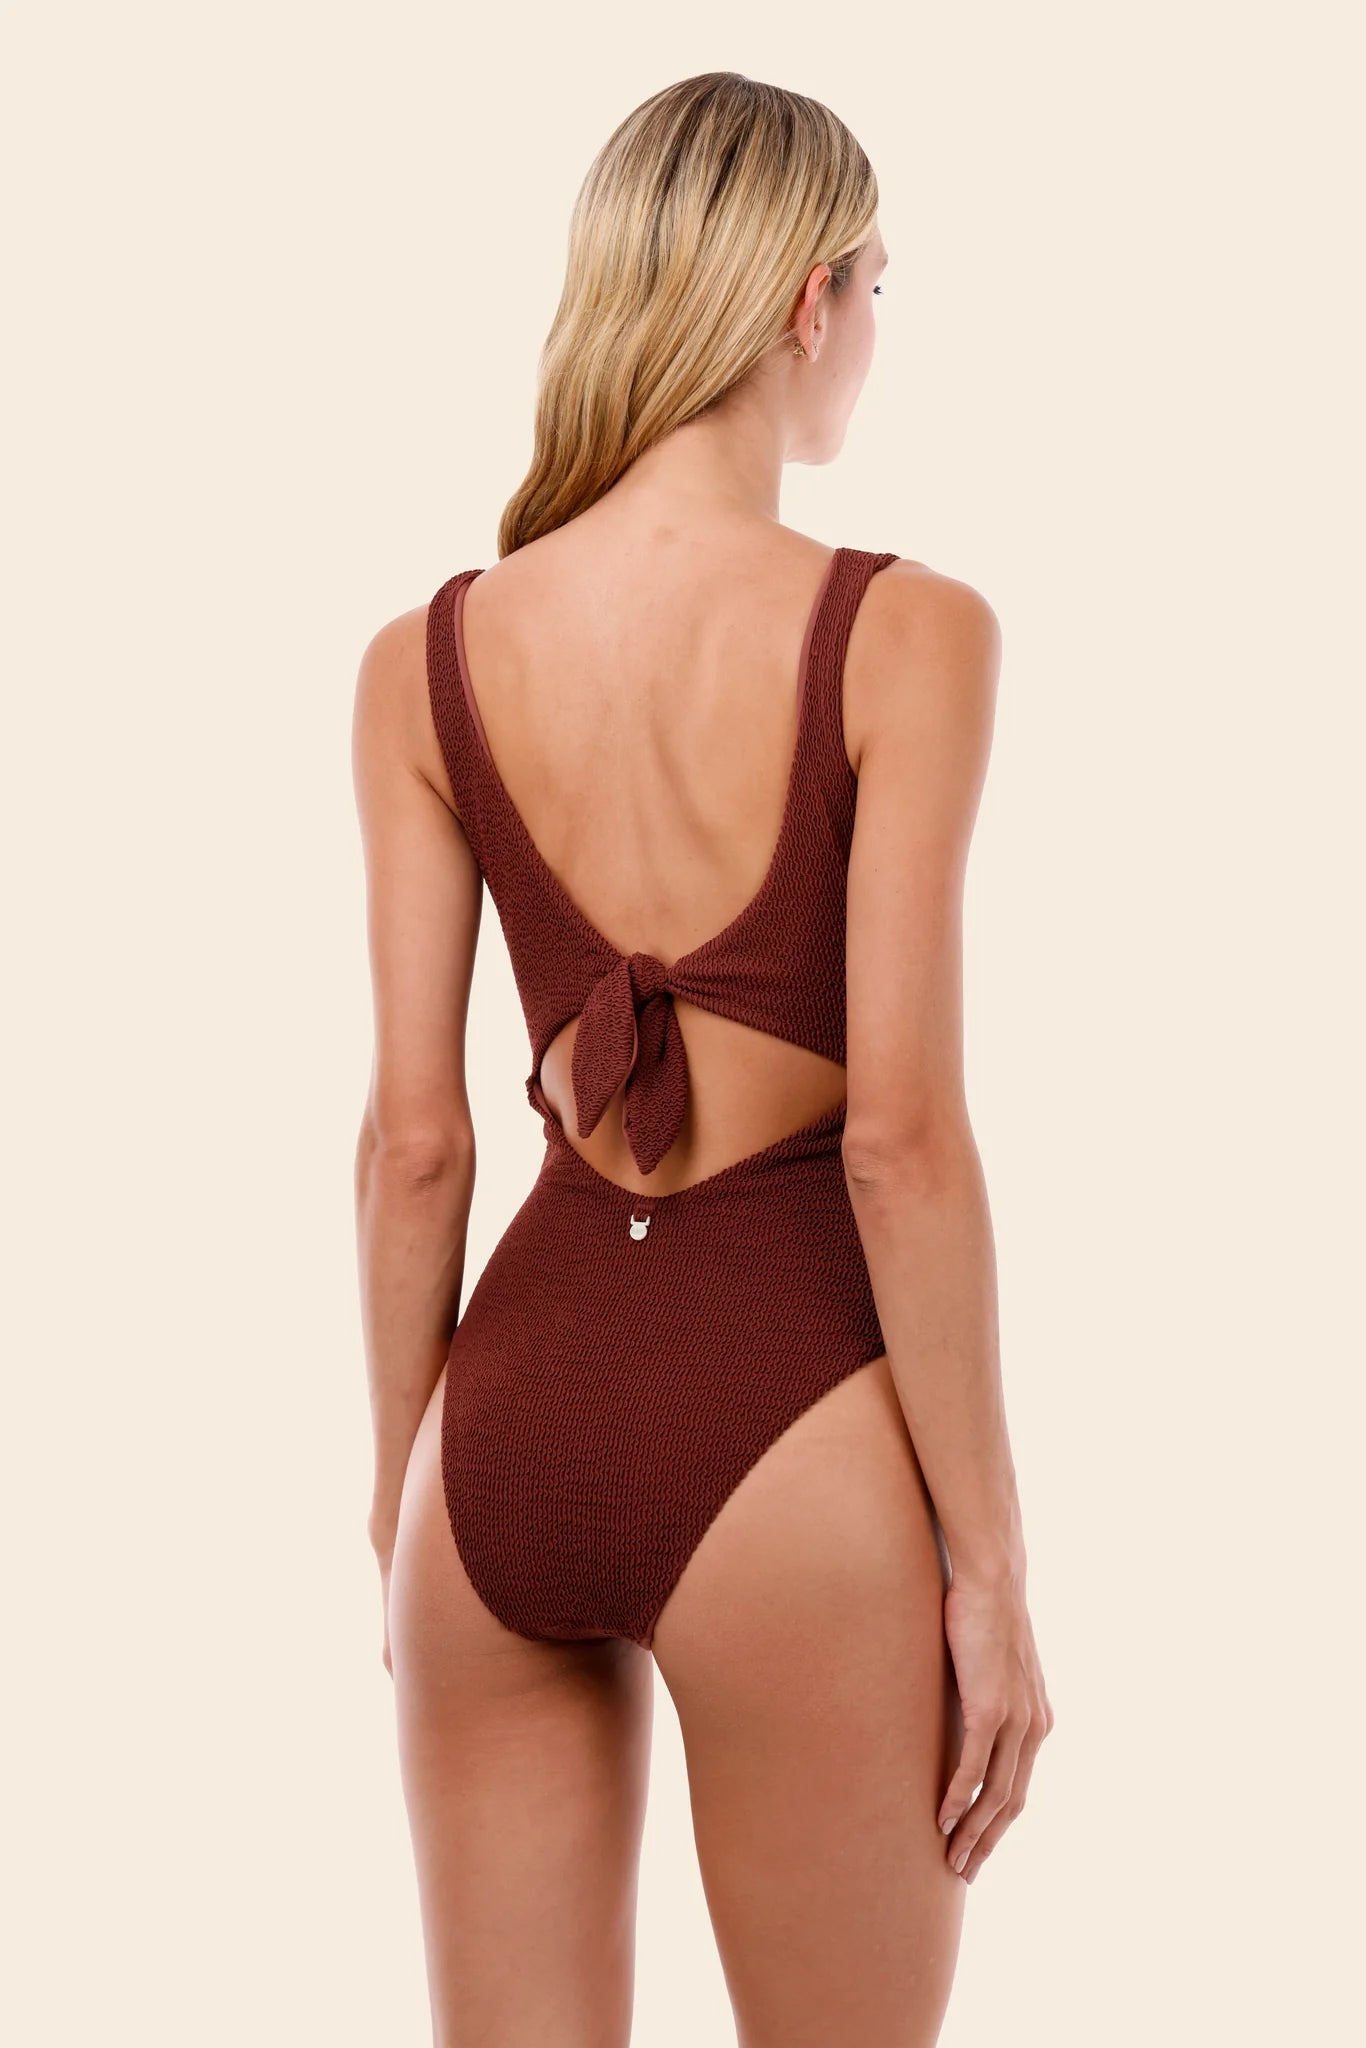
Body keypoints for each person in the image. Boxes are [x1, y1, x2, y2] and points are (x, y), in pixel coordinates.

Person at [353, 69, 1052, 2048]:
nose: (871, 329)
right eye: (877, 284)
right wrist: (989, 1571)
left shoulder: (421, 661)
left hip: (503, 1426)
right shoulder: (906, 632)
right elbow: (897, 1146)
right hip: (784, 1414)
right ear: (803, 300)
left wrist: (402, 1500)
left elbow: (413, 1148)